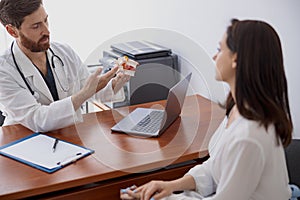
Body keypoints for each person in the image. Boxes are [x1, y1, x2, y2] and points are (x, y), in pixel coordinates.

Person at [120, 19, 293, 200]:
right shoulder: (238, 109)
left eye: (220, 50)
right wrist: (170, 186)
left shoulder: (248, 136)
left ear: (236, 58)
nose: (214, 57)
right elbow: (215, 167)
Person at [0, 0, 129, 132]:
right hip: (22, 140)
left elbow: (90, 90)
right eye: (36, 26)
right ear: (12, 31)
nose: (46, 31)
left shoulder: (64, 52)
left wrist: (115, 84)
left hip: (67, 134)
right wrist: (83, 95)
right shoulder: (4, 71)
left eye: (46, 21)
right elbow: (37, 119)